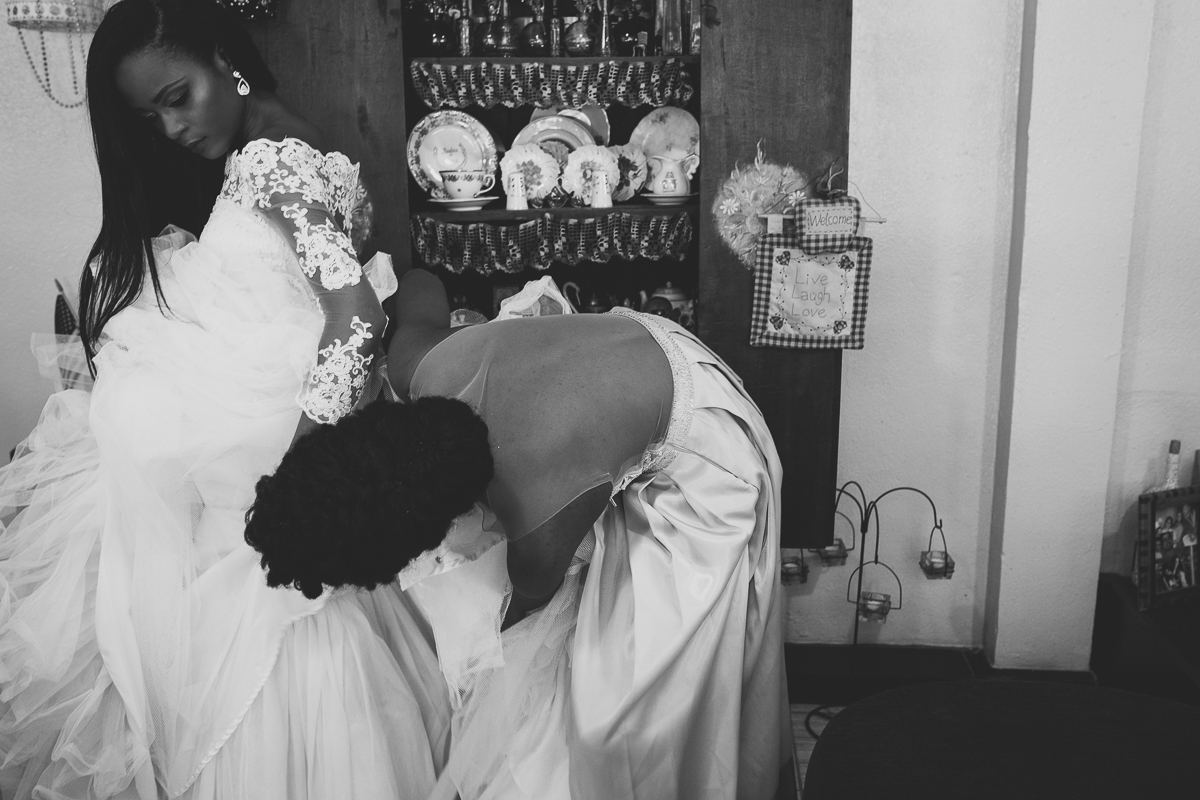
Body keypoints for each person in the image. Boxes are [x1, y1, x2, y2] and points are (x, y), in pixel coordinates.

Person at [0, 2, 450, 798]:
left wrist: (302, 472)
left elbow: (356, 318)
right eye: (152, 117)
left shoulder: (272, 159)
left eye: (177, 97)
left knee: (258, 647)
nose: (172, 128)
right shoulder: (288, 147)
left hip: (263, 438)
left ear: (222, 58)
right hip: (248, 421)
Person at [244, 268, 793, 799]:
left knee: (623, 714)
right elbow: (419, 283)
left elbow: (527, 605)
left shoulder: (537, 515)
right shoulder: (421, 366)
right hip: (625, 361)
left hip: (698, 440)